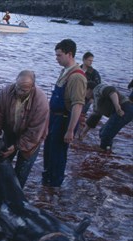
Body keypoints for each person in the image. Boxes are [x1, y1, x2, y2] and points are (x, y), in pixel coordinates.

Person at [0, 70, 49, 188]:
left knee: (21, 172)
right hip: (10, 132)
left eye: (24, 90)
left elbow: (35, 132)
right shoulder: (6, 92)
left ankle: (14, 199)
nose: (19, 92)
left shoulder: (41, 102)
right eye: (17, 87)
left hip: (32, 140)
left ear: (32, 88)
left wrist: (17, 146)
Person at [42, 39, 87, 188]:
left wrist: (70, 130)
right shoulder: (64, 71)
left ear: (70, 54)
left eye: (59, 55)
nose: (56, 58)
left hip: (64, 119)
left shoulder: (77, 77)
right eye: (56, 55)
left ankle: (54, 187)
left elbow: (77, 105)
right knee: (48, 152)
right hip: (55, 118)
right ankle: (46, 184)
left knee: (58, 155)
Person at [85, 82, 133, 151]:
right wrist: (83, 133)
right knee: (102, 132)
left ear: (89, 89)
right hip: (122, 110)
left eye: (83, 92)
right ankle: (106, 152)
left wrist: (117, 107)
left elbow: (111, 91)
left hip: (124, 108)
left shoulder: (97, 89)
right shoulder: (96, 101)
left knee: (106, 135)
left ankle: (105, 152)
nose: (83, 95)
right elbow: (94, 117)